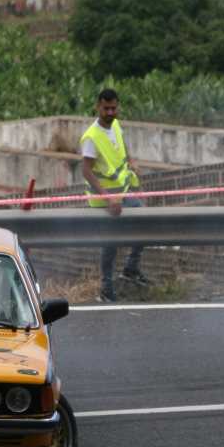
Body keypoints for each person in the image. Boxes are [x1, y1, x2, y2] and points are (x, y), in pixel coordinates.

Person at [79, 88, 149, 302]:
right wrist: (107, 198)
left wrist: (132, 162)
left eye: (113, 108)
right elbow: (86, 171)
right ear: (97, 107)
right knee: (110, 244)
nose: (110, 112)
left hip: (123, 193)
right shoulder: (91, 137)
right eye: (106, 108)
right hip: (105, 200)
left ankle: (130, 268)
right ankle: (106, 289)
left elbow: (123, 148)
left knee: (146, 222)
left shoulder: (116, 124)